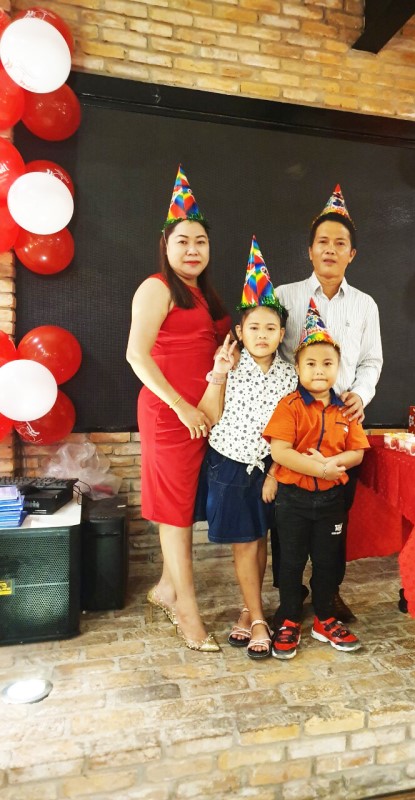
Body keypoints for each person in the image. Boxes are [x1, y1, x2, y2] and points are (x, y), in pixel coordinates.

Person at [126, 165, 230, 653]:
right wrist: (181, 407)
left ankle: (167, 588)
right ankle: (187, 611)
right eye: (183, 241)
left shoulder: (204, 295)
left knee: (186, 505)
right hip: (170, 416)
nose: (193, 249)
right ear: (166, 246)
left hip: (202, 414)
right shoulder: (157, 287)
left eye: (201, 242)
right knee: (175, 513)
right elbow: (136, 355)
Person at [274, 185, 383, 621]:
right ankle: (289, 595)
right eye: (323, 242)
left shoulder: (365, 305)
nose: (330, 250)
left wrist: (362, 394)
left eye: (340, 243)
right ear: (310, 250)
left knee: (335, 519)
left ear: (351, 254)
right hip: (294, 426)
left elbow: (372, 360)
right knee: (287, 520)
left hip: (343, 427)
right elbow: (269, 354)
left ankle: (328, 592)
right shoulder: (285, 297)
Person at [196, 237, 297, 659]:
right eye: (253, 327)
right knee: (244, 542)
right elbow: (208, 415)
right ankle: (258, 619)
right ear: (240, 332)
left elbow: (293, 432)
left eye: (270, 328)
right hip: (230, 465)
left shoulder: (291, 376)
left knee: (261, 538)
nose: (261, 334)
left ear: (281, 334)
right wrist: (219, 373)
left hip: (270, 468)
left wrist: (275, 472)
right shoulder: (228, 366)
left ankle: (247, 610)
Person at [263, 300, 370, 660]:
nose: (319, 370)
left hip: (331, 503)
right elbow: (280, 452)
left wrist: (332, 464)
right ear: (298, 367)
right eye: (310, 363)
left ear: (338, 368)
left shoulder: (346, 410)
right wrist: (320, 469)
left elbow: (357, 453)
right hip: (292, 500)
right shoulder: (289, 406)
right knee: (290, 561)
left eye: (327, 363)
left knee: (328, 562)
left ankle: (325, 617)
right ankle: (289, 617)